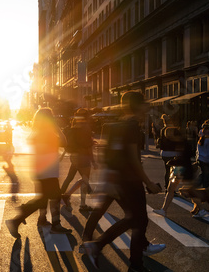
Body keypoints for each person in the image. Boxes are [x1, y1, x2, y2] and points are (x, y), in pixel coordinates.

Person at [83, 92, 165, 272]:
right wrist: (148, 182)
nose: (146, 107)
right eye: (143, 104)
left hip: (120, 180)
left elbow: (110, 153)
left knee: (135, 220)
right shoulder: (133, 126)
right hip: (131, 181)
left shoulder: (118, 124)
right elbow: (133, 158)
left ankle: (131, 259)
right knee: (137, 220)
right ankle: (130, 261)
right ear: (137, 106)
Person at [5, 108, 72, 238]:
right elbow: (64, 142)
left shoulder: (38, 132)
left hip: (41, 171)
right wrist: (56, 126)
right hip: (49, 172)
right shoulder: (48, 133)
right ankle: (22, 217)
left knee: (44, 199)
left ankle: (25, 218)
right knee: (52, 198)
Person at [60, 108, 96, 213]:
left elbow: (72, 142)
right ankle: (81, 203)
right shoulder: (86, 128)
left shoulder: (74, 126)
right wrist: (93, 161)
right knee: (85, 180)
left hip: (74, 156)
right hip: (83, 156)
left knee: (72, 177)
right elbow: (88, 146)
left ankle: (65, 195)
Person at [158, 114, 183, 191]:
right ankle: (172, 188)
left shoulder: (162, 130)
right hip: (173, 152)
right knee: (175, 172)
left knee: (167, 170)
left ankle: (167, 186)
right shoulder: (175, 130)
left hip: (165, 152)